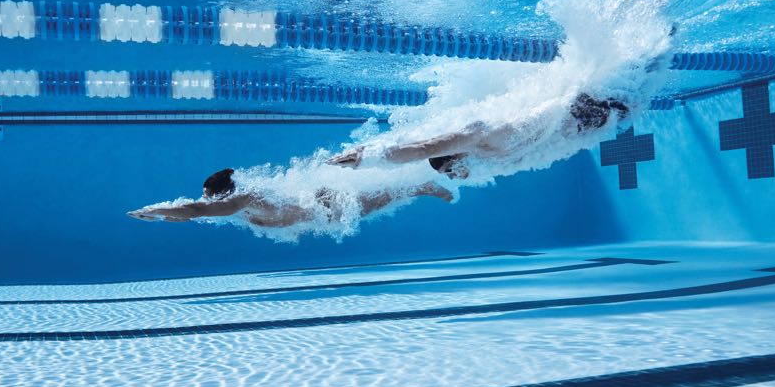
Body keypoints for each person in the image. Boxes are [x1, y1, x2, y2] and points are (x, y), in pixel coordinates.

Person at [326, 92, 630, 177]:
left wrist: (368, 157)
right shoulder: (482, 152)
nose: (454, 175)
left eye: (449, 170)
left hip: (584, 110)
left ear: (454, 154)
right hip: (581, 116)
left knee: (638, 88)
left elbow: (423, 148)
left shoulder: (477, 138)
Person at [129, 168, 454, 228]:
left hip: (327, 205)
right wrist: (161, 216)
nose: (207, 201)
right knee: (379, 201)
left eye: (209, 197)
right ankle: (418, 186)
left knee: (381, 200)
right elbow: (193, 211)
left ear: (222, 195)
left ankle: (422, 185)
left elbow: (196, 210)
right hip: (319, 209)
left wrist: (156, 211)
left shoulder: (241, 200)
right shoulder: (238, 204)